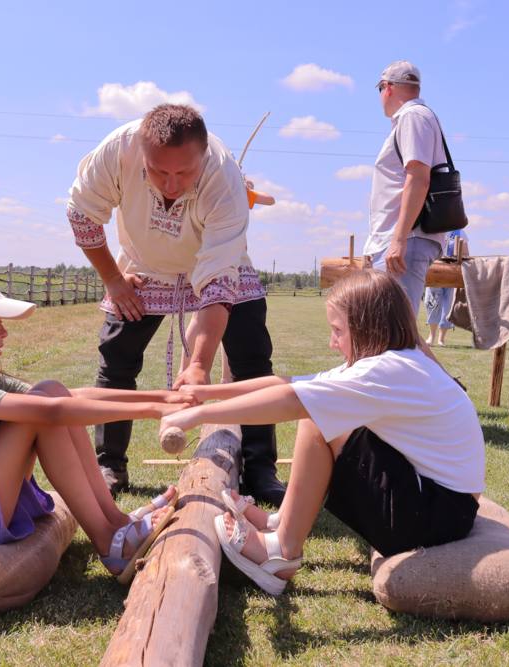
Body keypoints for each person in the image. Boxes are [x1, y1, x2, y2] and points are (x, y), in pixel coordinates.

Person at [160, 270, 484, 595]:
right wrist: (209, 393)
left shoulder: (387, 370)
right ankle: (282, 522)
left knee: (316, 416)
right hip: (445, 507)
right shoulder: (396, 362)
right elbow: (288, 383)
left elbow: (291, 400)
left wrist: (198, 414)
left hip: (434, 518)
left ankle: (282, 552)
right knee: (318, 404)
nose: (332, 342)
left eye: (338, 331)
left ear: (367, 328)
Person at [0, 271, 186, 584]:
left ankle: (116, 521)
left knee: (50, 389)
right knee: (42, 414)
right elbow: (52, 412)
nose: (4, 332)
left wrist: (163, 396)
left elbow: (68, 397)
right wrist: (154, 410)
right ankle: (108, 541)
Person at [66, 103, 285, 504]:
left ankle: (259, 467)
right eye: (158, 171)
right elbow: (82, 215)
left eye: (184, 173)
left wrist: (199, 365)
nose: (171, 184)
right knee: (117, 357)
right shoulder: (117, 150)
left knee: (252, 358)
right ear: (140, 154)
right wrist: (113, 280)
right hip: (144, 264)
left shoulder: (225, 178)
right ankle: (109, 463)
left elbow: (218, 281)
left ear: (203, 157)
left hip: (216, 262)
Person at [362, 60, 448, 315]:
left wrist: (397, 240)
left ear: (387, 88)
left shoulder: (412, 117)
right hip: (405, 238)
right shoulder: (419, 117)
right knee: (397, 330)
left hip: (405, 238)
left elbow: (418, 177)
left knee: (394, 332)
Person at [425, 229, 469, 346]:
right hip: (433, 271)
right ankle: (431, 336)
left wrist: (459, 255)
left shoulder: (460, 232)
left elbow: (466, 253)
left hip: (452, 273)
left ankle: (441, 339)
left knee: (448, 307)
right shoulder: (434, 228)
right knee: (432, 304)